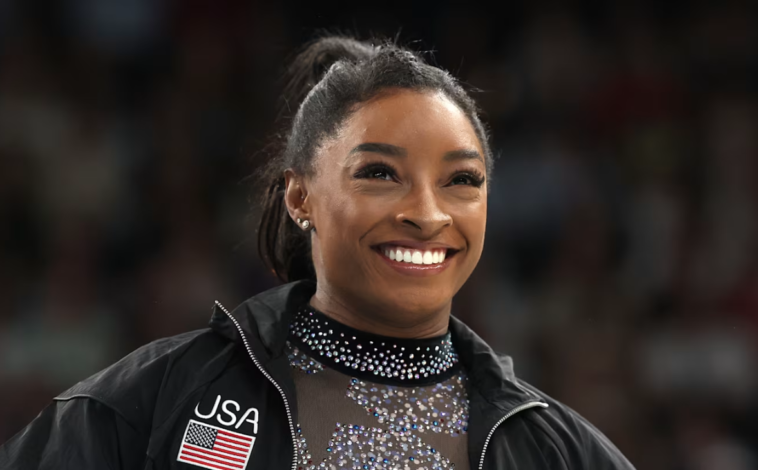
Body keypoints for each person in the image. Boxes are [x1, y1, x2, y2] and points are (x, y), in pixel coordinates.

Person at [0, 36, 634, 470]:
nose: (427, 212)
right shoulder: (159, 398)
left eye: (461, 180)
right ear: (299, 196)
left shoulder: (554, 447)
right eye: (380, 174)